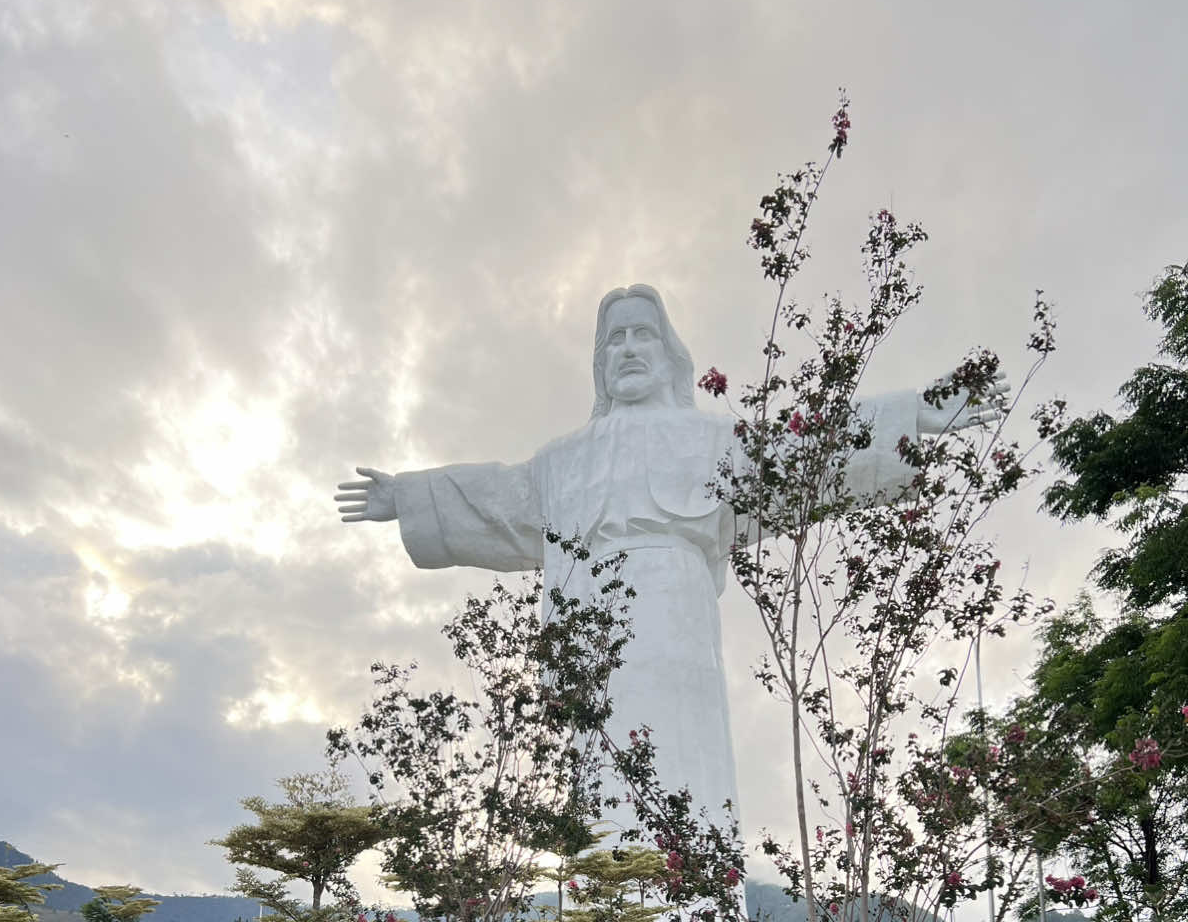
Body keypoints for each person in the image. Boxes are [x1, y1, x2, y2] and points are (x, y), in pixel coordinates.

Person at [336, 285, 1008, 837]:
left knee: (685, 775)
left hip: (677, 618)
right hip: (590, 635)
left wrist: (914, 414)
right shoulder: (564, 459)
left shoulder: (711, 440)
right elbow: (496, 498)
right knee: (605, 784)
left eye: (641, 335)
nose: (627, 349)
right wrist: (409, 494)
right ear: (599, 363)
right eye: (614, 340)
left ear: (669, 354)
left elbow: (804, 451)